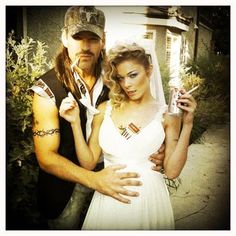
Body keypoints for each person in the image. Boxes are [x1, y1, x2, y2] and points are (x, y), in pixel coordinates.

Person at [31, 6, 164, 229]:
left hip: (117, 188)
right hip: (66, 194)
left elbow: (142, 113)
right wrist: (95, 180)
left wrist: (155, 150)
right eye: (77, 37)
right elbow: (46, 157)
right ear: (64, 38)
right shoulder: (47, 89)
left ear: (103, 39)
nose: (85, 46)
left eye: (92, 38)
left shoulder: (116, 77)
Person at [59, 42, 197, 230]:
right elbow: (88, 163)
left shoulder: (167, 116)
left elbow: (172, 172)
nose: (127, 84)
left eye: (133, 75)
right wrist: (75, 122)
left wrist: (188, 124)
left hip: (149, 201)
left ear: (149, 70)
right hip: (108, 202)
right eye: (120, 78)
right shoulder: (104, 109)